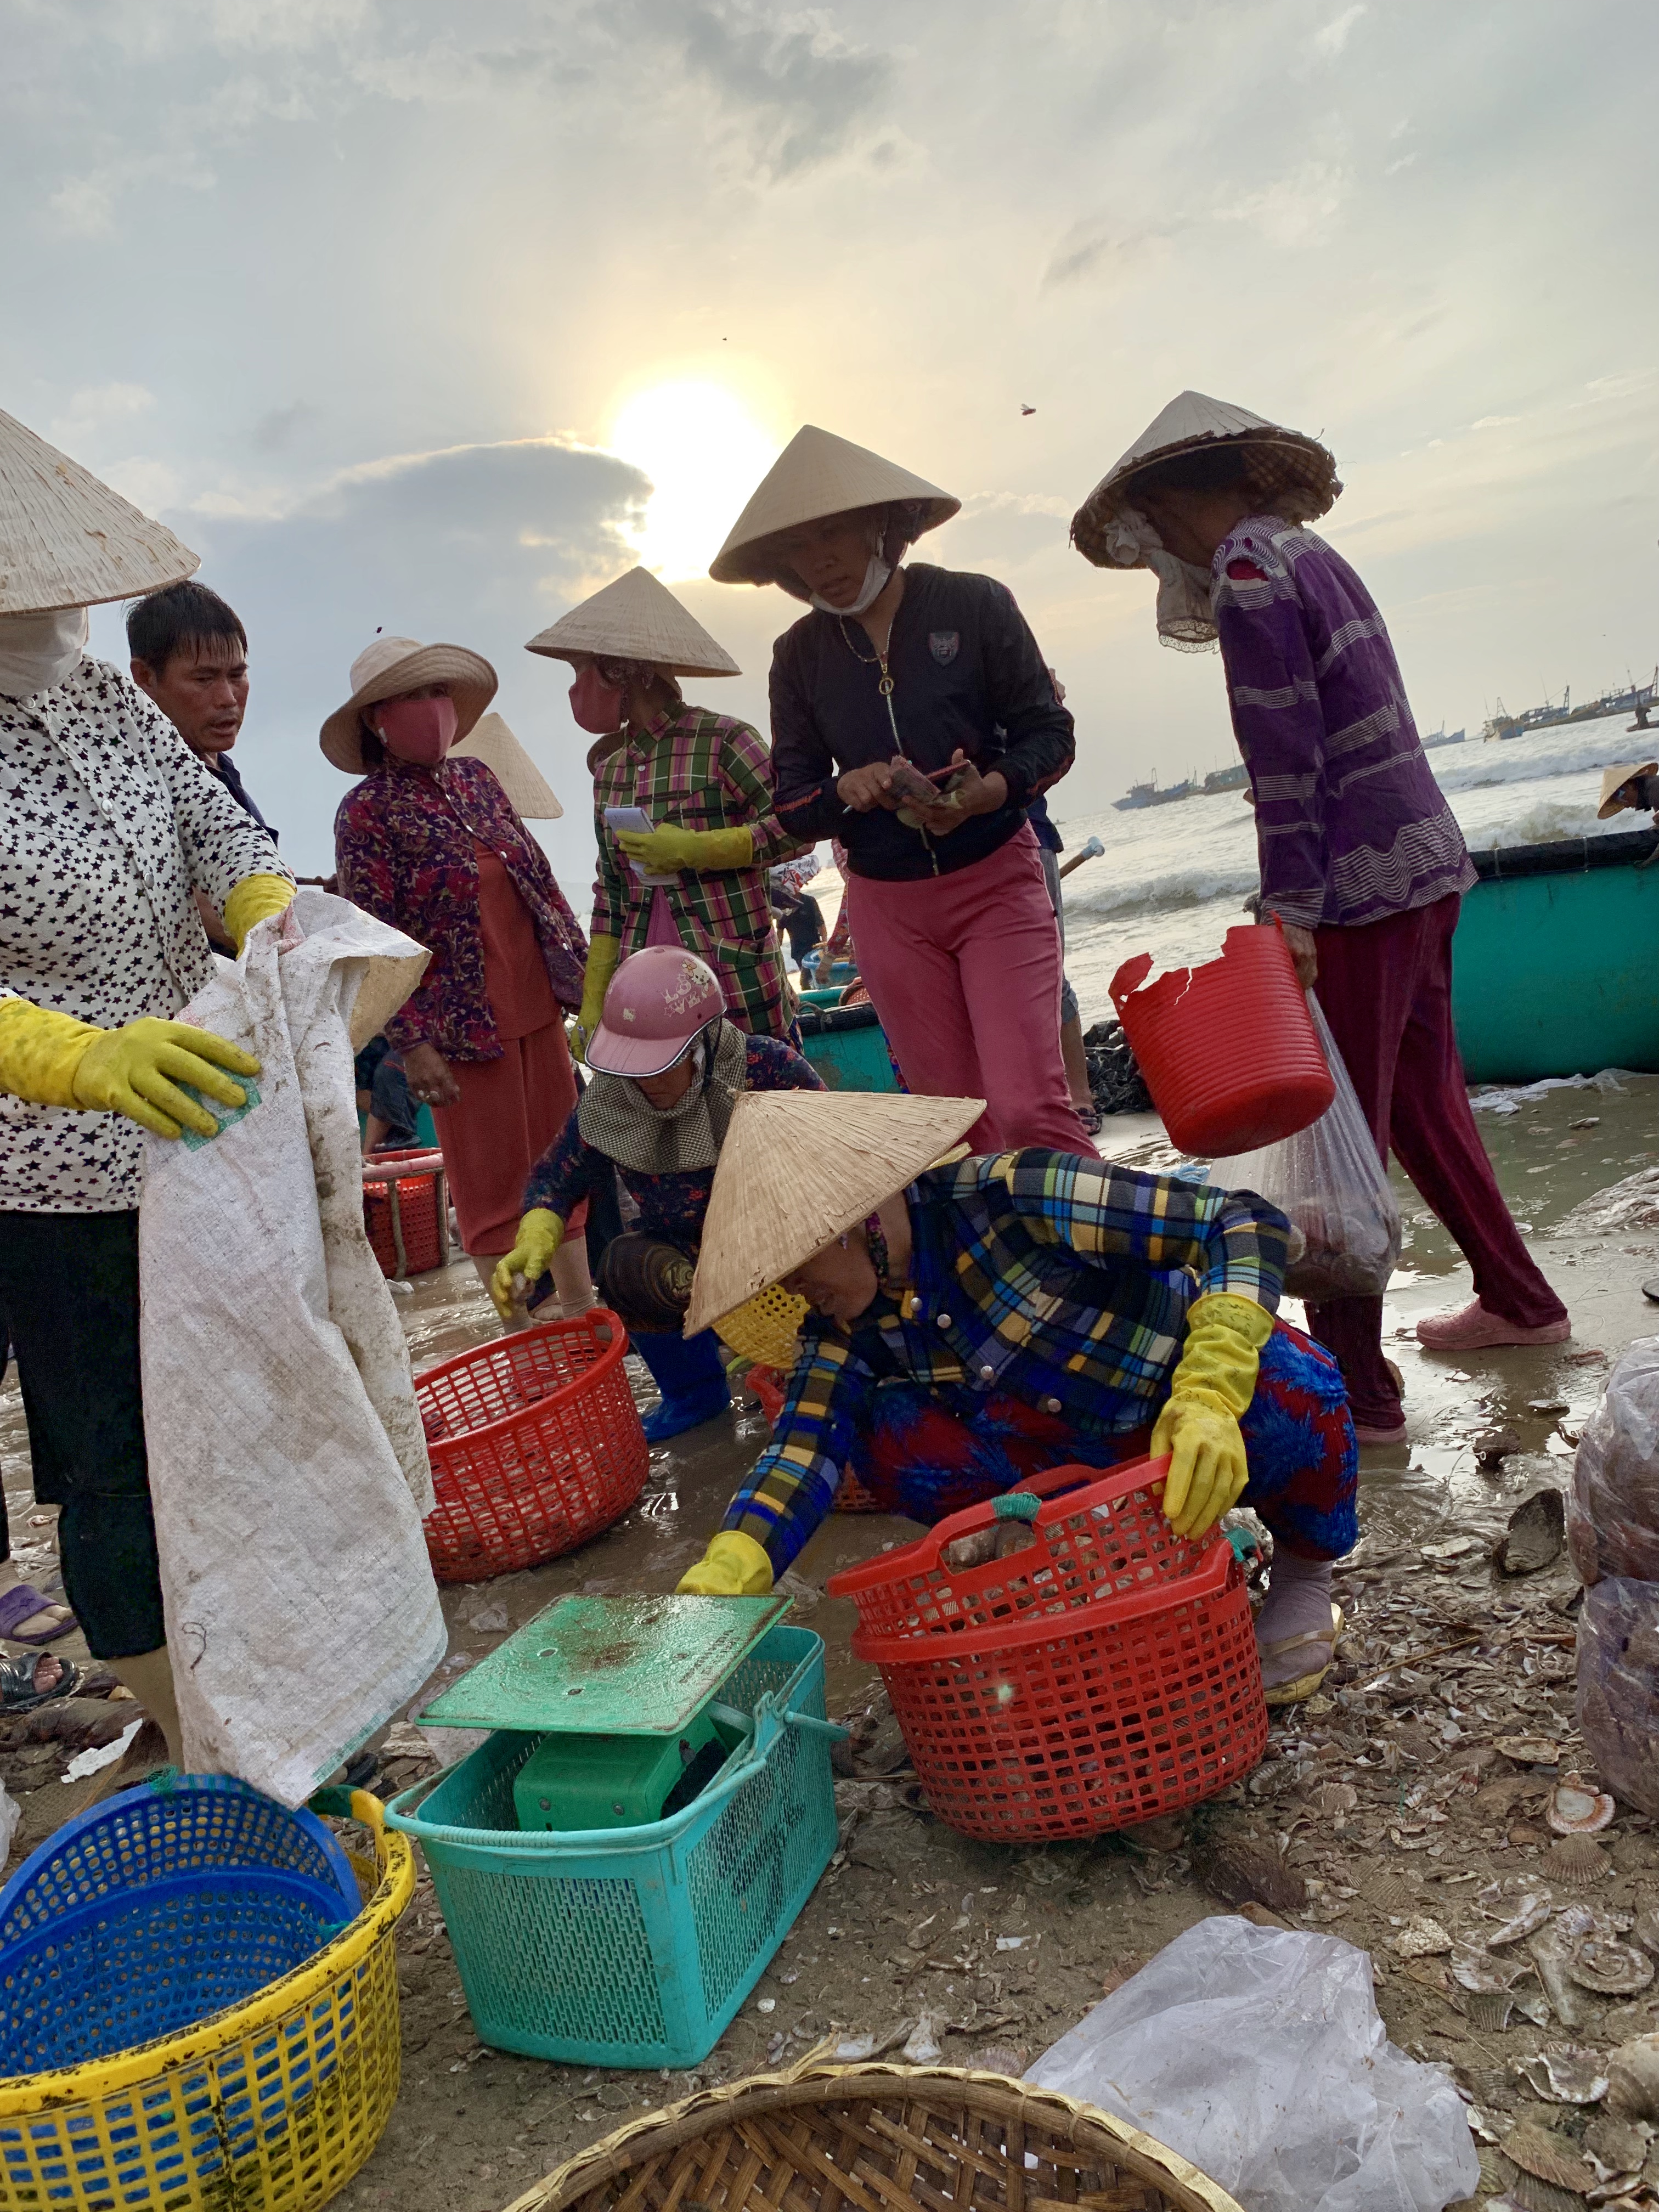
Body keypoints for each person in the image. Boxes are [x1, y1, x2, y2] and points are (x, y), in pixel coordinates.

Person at [1071, 391, 1570, 1442]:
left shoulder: (1249, 576)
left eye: (1147, 527)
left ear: (1168, 504)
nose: (1151, 551)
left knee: (1330, 1120)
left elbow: (1281, 756)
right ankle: (1520, 1302)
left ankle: (1359, 1393)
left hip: (1351, 881)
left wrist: (1287, 907)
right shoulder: (1301, 552)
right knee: (1420, 1104)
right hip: (1423, 856)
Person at [675, 1091, 1357, 1705]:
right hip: (1060, 1464)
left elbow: (1240, 1223)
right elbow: (802, 1451)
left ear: (853, 1222)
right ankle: (1081, 1563)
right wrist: (732, 1563)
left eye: (795, 1265)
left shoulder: (1015, 1195)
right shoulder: (841, 1329)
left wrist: (1211, 1388)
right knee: (888, 1435)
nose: (792, 1289)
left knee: (1292, 1387)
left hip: (1174, 1418)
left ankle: (1302, 1579)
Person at [0, 404, 296, 1761]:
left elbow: (214, 824)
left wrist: (268, 910)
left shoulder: (104, 695)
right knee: (111, 1462)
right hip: (44, 1170)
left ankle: (270, 1682)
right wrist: (76, 1059)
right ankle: (190, 1728)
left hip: (192, 1132)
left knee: (232, 1416)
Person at [710, 426, 1087, 1160]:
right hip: (888, 908)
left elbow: (1051, 732)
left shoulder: (975, 605)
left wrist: (990, 790)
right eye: (800, 547)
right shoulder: (799, 657)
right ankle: (996, 1275)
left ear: (880, 526)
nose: (821, 560)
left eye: (834, 534)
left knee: (1027, 1105)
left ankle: (1113, 1266)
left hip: (995, 881)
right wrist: (846, 789)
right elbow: (790, 803)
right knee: (953, 1124)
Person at [328, 634, 594, 1328]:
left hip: (536, 1005)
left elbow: (537, 881)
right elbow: (373, 939)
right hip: (456, 1030)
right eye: (412, 697)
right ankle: (525, 1338)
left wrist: (585, 979)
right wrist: (411, 1043)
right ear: (376, 719)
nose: (432, 708)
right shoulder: (366, 813)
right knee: (492, 1193)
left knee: (561, 1167)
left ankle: (581, 1313)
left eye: (437, 691)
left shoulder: (478, 779)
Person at [493, 945, 826, 1440]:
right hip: (688, 1266)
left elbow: (835, 1145)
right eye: (633, 1066)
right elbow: (557, 1177)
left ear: (703, 1042)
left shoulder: (765, 1067)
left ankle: (813, 1363)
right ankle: (694, 1394)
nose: (643, 1082)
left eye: (658, 1066)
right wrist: (537, 1231)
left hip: (783, 1246)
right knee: (626, 1264)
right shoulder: (612, 1099)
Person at [525, 566, 805, 1052]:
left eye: (581, 671)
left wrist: (697, 849)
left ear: (624, 670)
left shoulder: (725, 740)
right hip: (646, 988)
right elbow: (611, 894)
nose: (576, 689)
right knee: (675, 1116)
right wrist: (595, 1004)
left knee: (761, 1107)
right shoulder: (610, 772)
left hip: (733, 976)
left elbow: (798, 829)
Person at [128, 579, 272, 955]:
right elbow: (206, 910)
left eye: (237, 675)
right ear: (144, 677)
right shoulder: (138, 791)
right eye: (204, 679)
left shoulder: (222, 771)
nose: (227, 699)